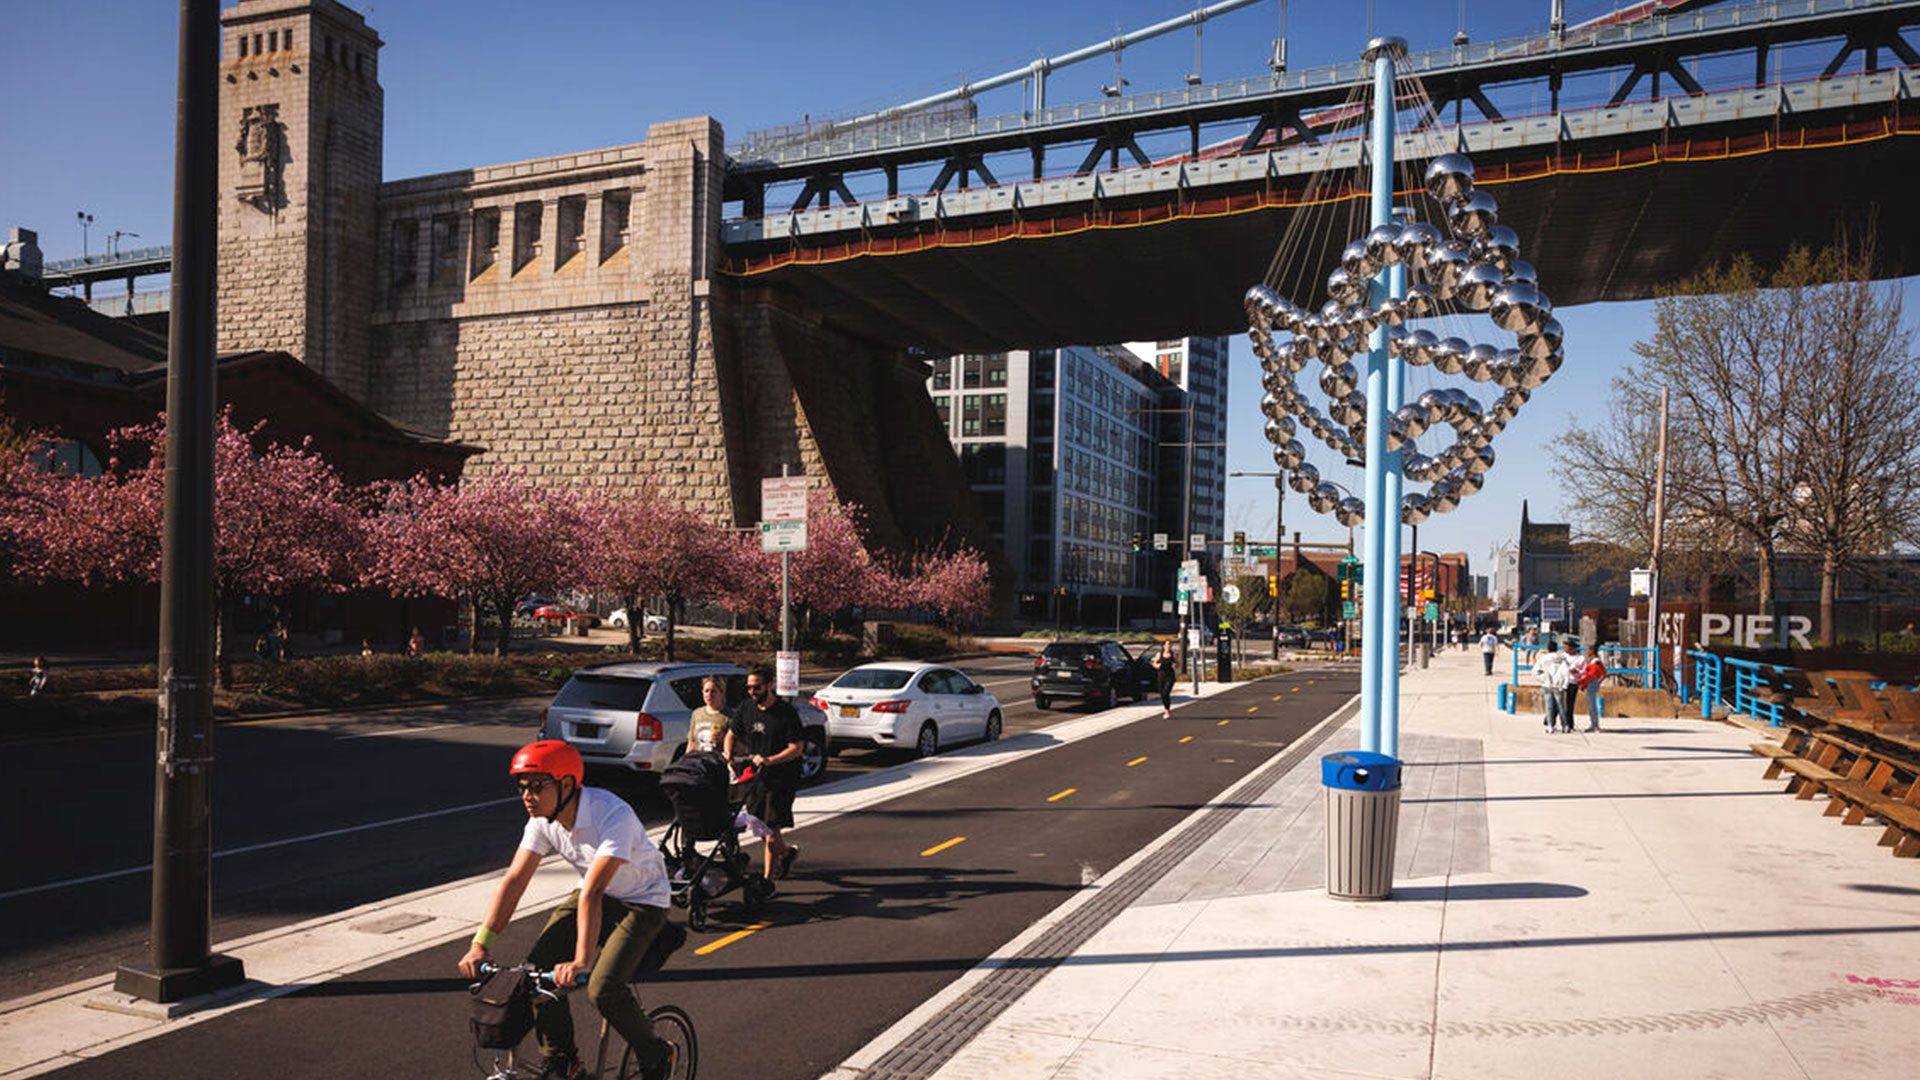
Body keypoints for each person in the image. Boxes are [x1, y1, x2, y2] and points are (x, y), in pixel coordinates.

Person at [459, 740, 675, 1080]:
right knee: (534, 973)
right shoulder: (543, 821)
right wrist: (480, 943)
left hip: (642, 901)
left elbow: (594, 889)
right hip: (596, 895)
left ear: (566, 785)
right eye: (522, 787)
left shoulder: (611, 814)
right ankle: (563, 1059)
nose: (527, 796)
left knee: (602, 989)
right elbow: (515, 880)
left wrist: (580, 960)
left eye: (536, 786)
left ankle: (657, 1053)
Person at [724, 666, 803, 882]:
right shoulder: (746, 707)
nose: (752, 691)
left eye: (756, 687)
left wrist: (770, 760)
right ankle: (786, 854)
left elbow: (797, 748)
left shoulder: (786, 713)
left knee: (770, 827)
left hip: (782, 778)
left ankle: (767, 879)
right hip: (755, 777)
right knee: (758, 824)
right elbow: (732, 733)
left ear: (769, 685)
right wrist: (728, 753)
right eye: (748, 687)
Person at [1531, 639, 1574, 733]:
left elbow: (1534, 672)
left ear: (1548, 648)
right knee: (1561, 706)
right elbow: (1566, 672)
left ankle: (1550, 726)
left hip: (1547, 685)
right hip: (1559, 685)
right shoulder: (1562, 659)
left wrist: (1543, 679)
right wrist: (1565, 684)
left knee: (1549, 706)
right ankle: (1565, 726)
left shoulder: (1543, 658)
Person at [687, 674, 731, 754]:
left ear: (722, 693)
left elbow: (743, 749)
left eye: (713, 691)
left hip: (718, 762)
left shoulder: (729, 716)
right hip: (699, 762)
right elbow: (691, 743)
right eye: (706, 691)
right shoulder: (697, 714)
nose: (709, 695)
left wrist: (724, 738)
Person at [1575, 646, 1608, 732]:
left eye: (1588, 650)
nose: (1587, 652)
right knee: (1591, 705)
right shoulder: (1595, 661)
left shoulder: (1595, 662)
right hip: (1592, 683)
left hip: (1592, 683)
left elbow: (1591, 675)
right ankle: (1593, 723)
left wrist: (1582, 683)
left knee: (1592, 705)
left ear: (1592, 651)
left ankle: (1595, 724)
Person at [1150, 640, 1177, 720]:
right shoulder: (1159, 654)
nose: (1169, 646)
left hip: (1170, 676)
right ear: (1164, 646)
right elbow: (1154, 663)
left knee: (1166, 692)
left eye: (1170, 644)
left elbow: (1178, 663)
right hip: (1161, 675)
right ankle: (1166, 708)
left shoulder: (1173, 655)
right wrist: (1157, 665)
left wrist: (1175, 665)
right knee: (1162, 693)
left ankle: (1167, 711)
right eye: (1167, 644)